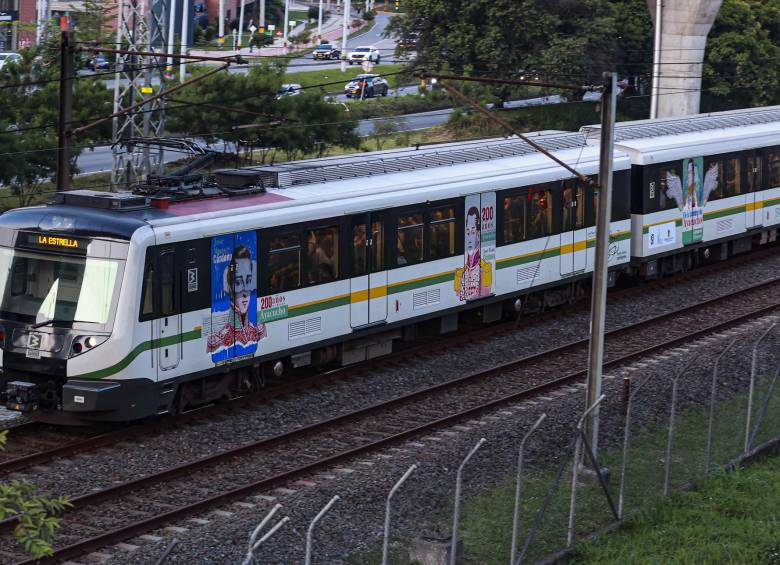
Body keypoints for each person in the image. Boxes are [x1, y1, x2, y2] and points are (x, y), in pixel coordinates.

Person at [208, 245, 266, 353]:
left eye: (248, 281)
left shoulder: (260, 329)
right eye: (238, 283)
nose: (245, 293)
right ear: (229, 287)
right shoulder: (217, 341)